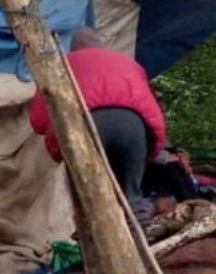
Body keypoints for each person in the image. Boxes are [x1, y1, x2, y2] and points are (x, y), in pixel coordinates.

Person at [29, 27, 166, 224]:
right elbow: (152, 108)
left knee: (89, 200)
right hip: (133, 128)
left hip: (86, 127)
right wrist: (153, 148)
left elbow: (38, 120)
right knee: (131, 199)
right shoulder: (128, 63)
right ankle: (139, 248)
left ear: (74, 48)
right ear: (101, 45)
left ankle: (93, 250)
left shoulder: (61, 66)